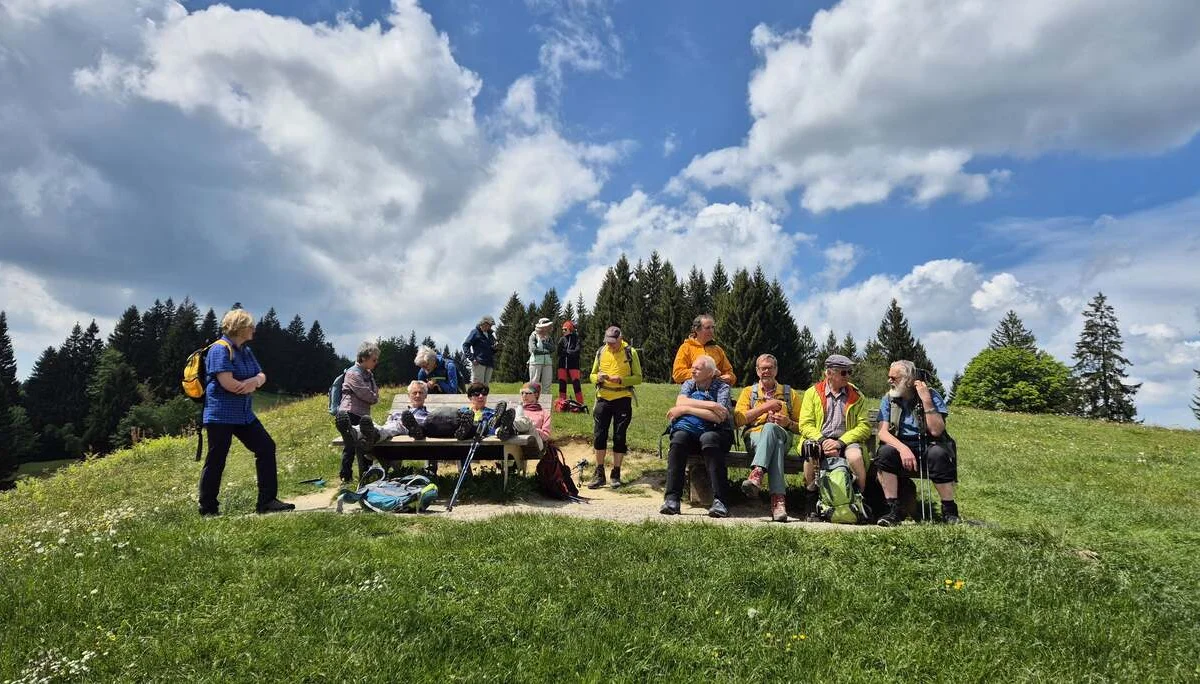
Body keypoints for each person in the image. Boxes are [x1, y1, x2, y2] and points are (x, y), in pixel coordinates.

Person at [197, 308, 294, 516]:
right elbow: (228, 384)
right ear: (239, 328)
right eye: (251, 326)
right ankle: (208, 509)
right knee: (217, 459)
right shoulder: (219, 349)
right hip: (220, 415)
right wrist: (252, 383)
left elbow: (261, 375)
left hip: (244, 414)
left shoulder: (244, 350)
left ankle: (267, 502)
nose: (254, 329)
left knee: (266, 447)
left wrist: (254, 381)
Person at [874, 360, 960, 526]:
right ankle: (893, 510)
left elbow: (936, 431)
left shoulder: (931, 395)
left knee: (938, 454)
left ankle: (949, 511)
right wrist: (903, 448)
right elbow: (883, 432)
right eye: (889, 377)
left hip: (928, 445)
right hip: (901, 446)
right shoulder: (889, 398)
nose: (889, 381)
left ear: (908, 380)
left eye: (894, 378)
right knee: (885, 453)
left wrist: (926, 400)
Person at [797, 354, 874, 522]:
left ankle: (860, 501)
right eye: (844, 373)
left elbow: (864, 426)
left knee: (855, 456)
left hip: (846, 441)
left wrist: (840, 442)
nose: (848, 376)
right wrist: (823, 440)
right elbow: (805, 424)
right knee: (810, 451)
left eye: (849, 372)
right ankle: (811, 502)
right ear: (829, 374)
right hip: (819, 440)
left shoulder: (857, 395)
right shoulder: (812, 393)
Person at [660, 356, 733, 518]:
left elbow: (719, 417)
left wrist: (687, 409)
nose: (693, 370)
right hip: (692, 431)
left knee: (708, 439)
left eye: (698, 368)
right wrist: (711, 405)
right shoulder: (689, 383)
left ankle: (720, 501)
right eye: (693, 367)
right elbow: (680, 401)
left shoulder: (722, 387)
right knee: (678, 439)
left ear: (710, 373)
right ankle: (672, 499)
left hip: (719, 433)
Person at [736, 354, 802, 522]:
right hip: (754, 438)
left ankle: (757, 473)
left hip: (784, 434)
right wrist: (766, 407)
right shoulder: (748, 392)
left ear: (776, 370)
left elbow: (804, 426)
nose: (766, 371)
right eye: (763, 368)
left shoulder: (789, 393)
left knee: (773, 430)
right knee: (776, 445)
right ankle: (778, 503)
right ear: (757, 371)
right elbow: (738, 420)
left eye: (770, 368)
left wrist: (788, 423)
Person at [587, 325, 642, 489]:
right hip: (603, 398)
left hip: (623, 398)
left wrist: (622, 380)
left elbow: (638, 378)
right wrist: (598, 377)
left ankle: (616, 473)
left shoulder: (630, 352)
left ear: (620, 338)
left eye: (613, 342)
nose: (610, 345)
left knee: (619, 436)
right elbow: (591, 375)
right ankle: (599, 473)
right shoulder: (601, 351)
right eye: (608, 341)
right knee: (599, 435)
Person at [332, 341, 380, 485]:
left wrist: (374, 395)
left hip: (363, 414)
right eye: (374, 360)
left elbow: (375, 393)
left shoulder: (368, 374)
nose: (376, 363)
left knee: (365, 442)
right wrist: (374, 396)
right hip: (350, 413)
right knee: (351, 445)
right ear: (364, 358)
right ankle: (346, 476)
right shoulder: (353, 373)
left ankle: (365, 473)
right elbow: (367, 395)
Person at [672, 314, 736, 385]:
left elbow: (730, 374)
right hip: (693, 391)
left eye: (713, 327)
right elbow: (677, 374)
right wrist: (704, 373)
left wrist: (729, 377)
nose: (711, 330)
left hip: (716, 390)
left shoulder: (718, 350)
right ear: (697, 330)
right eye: (707, 328)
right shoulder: (686, 348)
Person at [510, 381, 552, 450]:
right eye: (522, 393)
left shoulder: (544, 413)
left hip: (535, 443)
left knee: (526, 422)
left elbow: (546, 436)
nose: (524, 395)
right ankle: (503, 429)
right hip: (517, 438)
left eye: (527, 393)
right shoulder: (518, 410)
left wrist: (532, 428)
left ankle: (519, 424)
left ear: (536, 394)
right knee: (516, 417)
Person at [462, 316, 500, 385]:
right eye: (489, 325)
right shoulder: (475, 332)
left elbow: (490, 349)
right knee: (478, 385)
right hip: (479, 363)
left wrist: (495, 349)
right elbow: (465, 345)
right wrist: (472, 359)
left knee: (486, 386)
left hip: (489, 363)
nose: (490, 327)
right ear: (483, 323)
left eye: (490, 326)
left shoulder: (490, 334)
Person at [555, 320, 584, 407]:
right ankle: (562, 404)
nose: (563, 331)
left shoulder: (576, 339)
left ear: (570, 329)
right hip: (562, 365)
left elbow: (577, 351)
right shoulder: (562, 339)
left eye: (565, 329)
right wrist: (569, 352)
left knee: (576, 384)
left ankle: (580, 403)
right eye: (562, 329)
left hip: (574, 365)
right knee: (562, 384)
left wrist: (567, 352)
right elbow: (559, 352)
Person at [528, 318, 555, 390]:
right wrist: (545, 352)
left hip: (548, 363)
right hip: (535, 362)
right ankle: (532, 400)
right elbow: (533, 349)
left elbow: (553, 349)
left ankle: (545, 400)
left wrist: (545, 344)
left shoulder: (549, 337)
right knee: (534, 384)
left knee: (547, 384)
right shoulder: (533, 335)